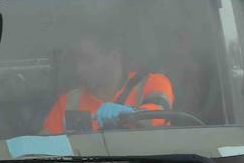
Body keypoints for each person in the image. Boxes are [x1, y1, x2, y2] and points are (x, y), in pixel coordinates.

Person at [42, 28, 174, 134]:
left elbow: (160, 114)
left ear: (114, 56)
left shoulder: (152, 83)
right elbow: (43, 151)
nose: (79, 69)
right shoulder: (68, 103)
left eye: (88, 59)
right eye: (77, 61)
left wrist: (130, 114)